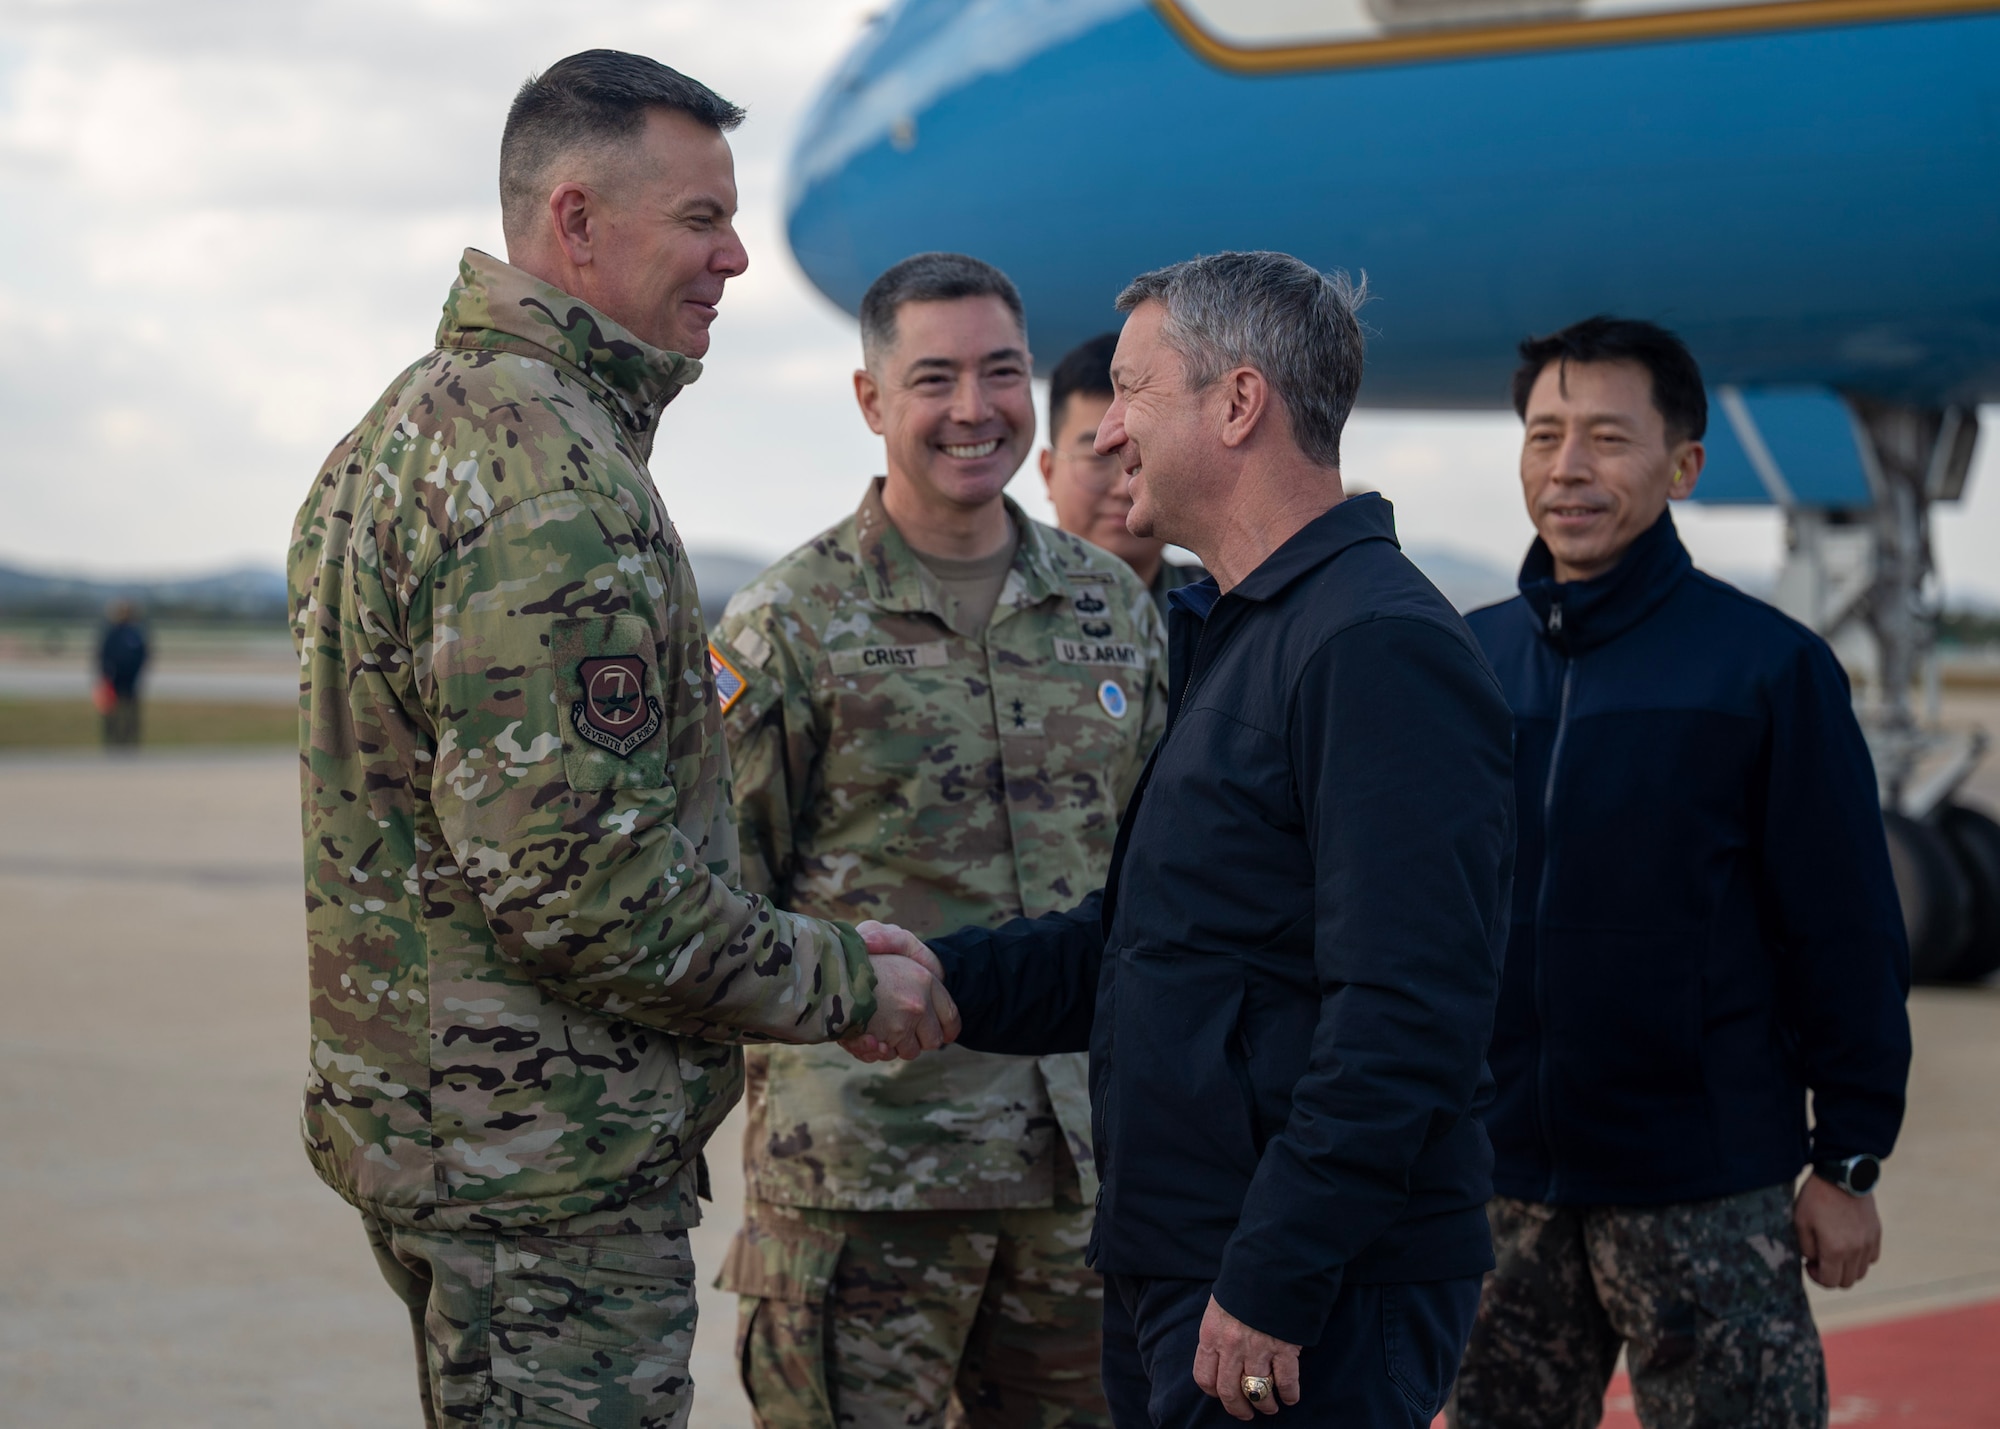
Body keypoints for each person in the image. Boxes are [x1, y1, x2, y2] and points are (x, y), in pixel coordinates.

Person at [286, 51, 952, 1429]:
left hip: (447, 1151)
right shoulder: (552, 480)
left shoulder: (399, 435)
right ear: (577, 222)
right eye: (701, 219)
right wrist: (837, 981)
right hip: (544, 1181)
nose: (737, 257)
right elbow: (583, 888)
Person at [857, 251, 1517, 1427]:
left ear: (1238, 403)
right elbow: (1159, 946)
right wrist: (942, 975)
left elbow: (1406, 1008)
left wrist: (1274, 1273)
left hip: (1295, 1292)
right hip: (1197, 1255)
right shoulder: (1252, 631)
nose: (1105, 434)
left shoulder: (1372, 646)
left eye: (1130, 391)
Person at [711, 254, 1167, 1429]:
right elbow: (722, 900)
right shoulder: (787, 625)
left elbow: (1166, 889)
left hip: (1080, 1184)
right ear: (871, 401)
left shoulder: (1112, 611)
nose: (975, 408)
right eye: (934, 378)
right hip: (866, 1189)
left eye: (1001, 372)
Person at [1448, 317, 1913, 1429]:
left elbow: (1843, 929)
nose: (1567, 467)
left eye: (1606, 437)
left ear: (1682, 465)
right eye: (1544, 434)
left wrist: (1846, 1161)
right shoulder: (1458, 662)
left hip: (1703, 1186)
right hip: (1495, 1183)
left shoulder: (1763, 670)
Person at [1040, 333, 1205, 612]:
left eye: (1144, 455)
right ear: (1048, 471)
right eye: (1098, 458)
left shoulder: (1218, 608)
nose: (1123, 486)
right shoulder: (993, 600)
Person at [96, 600, 148, 747]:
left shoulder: (136, 634)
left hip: (130, 680)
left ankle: (129, 740)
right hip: (114, 680)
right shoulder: (112, 633)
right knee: (112, 713)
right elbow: (103, 656)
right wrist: (106, 676)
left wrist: (137, 674)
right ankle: (113, 740)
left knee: (130, 713)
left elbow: (143, 655)